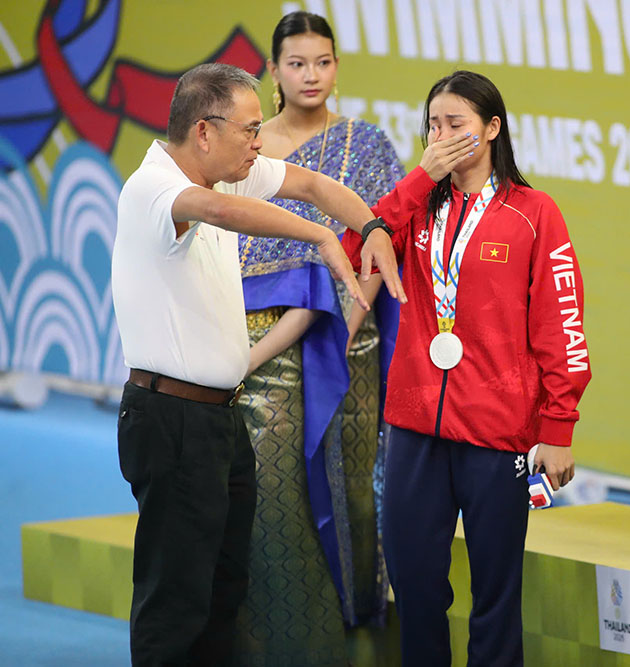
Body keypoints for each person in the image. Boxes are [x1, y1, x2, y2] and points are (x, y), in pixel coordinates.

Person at [110, 61, 429, 665]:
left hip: (221, 420)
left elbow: (313, 187)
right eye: (250, 130)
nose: (261, 143)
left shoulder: (230, 175)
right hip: (171, 418)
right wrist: (323, 239)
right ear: (204, 132)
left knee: (226, 589)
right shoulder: (153, 188)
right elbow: (222, 213)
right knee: (175, 600)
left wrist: (373, 226)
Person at [342, 70, 592, 666]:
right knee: (416, 586)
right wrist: (417, 179)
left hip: (496, 434)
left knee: (495, 599)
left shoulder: (535, 215)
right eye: (433, 125)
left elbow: (562, 328)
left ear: (492, 129)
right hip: (413, 428)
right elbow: (355, 257)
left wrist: (557, 430)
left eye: (456, 124)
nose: (443, 135)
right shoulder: (415, 210)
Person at [230, 11, 406, 664]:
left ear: (337, 66)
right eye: (297, 62)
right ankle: (279, 634)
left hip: (347, 344)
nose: (312, 75)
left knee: (351, 487)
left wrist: (345, 322)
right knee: (271, 491)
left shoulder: (365, 145)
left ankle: (359, 628)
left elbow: (383, 246)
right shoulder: (244, 147)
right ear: (272, 70)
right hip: (256, 345)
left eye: (323, 61)